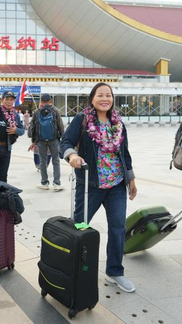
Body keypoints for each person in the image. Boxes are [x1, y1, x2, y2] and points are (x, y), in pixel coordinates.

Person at [60, 82, 138, 292]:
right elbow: (65, 142)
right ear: (92, 98)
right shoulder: (83, 120)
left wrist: (130, 179)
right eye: (100, 95)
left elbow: (125, 154)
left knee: (118, 229)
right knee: (80, 226)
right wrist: (73, 155)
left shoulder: (118, 123)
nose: (105, 99)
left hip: (116, 186)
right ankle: (70, 267)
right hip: (90, 184)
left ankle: (114, 271)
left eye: (109, 95)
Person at [29, 93, 65, 191]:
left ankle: (44, 183)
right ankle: (57, 183)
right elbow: (60, 126)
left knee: (43, 162)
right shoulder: (55, 111)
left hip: (41, 141)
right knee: (56, 161)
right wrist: (62, 138)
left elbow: (32, 127)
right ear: (50, 101)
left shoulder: (37, 112)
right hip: (54, 140)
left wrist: (33, 140)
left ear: (41, 101)